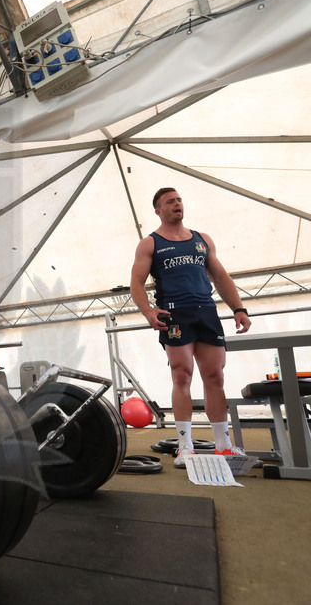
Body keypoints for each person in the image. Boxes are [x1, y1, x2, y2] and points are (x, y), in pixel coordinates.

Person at [130, 187, 252, 468]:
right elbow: (136, 282)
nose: (177, 204)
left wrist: (239, 309)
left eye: (179, 200)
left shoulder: (202, 239)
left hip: (206, 312)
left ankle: (223, 446)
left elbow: (220, 277)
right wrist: (148, 310)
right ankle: (185, 448)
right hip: (175, 315)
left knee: (215, 376)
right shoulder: (150, 243)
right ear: (158, 211)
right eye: (170, 201)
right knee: (182, 375)